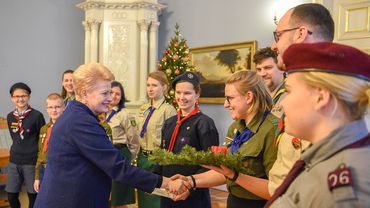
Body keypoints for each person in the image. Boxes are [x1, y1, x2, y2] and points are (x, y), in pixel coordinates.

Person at [33, 63, 189, 208]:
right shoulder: (81, 122)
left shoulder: (78, 114)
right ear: (84, 93)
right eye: (105, 93)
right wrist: (167, 183)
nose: (110, 98)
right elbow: (118, 167)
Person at [266, 42, 370, 207]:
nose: (282, 104)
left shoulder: (343, 189)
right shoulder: (327, 158)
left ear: (320, 98)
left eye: (289, 91)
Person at [174, 70, 278, 208]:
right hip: (234, 201)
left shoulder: (272, 130)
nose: (225, 105)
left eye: (230, 98)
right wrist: (190, 180)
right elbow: (225, 173)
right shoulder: (236, 127)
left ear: (248, 97)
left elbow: (277, 190)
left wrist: (234, 175)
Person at [154, 71, 219, 208]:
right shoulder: (170, 122)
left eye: (187, 93)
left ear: (197, 95)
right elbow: (162, 154)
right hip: (168, 192)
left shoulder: (204, 123)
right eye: (178, 92)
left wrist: (190, 186)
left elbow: (211, 164)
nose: (182, 97)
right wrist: (155, 180)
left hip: (192, 195)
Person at [136, 71, 177, 208]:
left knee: (155, 198)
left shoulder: (168, 110)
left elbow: (171, 139)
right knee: (143, 196)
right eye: (148, 85)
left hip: (157, 159)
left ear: (164, 87)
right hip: (143, 158)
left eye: (154, 85)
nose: (150, 89)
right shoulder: (144, 109)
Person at [6, 82, 46, 208]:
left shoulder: (37, 116)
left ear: (29, 96)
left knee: (33, 195)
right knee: (11, 195)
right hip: (14, 161)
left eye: (23, 95)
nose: (20, 99)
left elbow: (42, 141)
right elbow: (15, 138)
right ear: (12, 98)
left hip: (31, 162)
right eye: (16, 96)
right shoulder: (10, 117)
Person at [107, 81, 140, 208]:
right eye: (111, 92)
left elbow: (134, 139)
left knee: (119, 197)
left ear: (122, 97)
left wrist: (128, 159)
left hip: (119, 154)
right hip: (104, 155)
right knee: (106, 194)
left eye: (118, 94)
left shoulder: (125, 114)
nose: (114, 96)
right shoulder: (100, 112)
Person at [34, 93, 65, 193]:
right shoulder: (44, 129)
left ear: (63, 107)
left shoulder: (67, 128)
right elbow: (40, 153)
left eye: (57, 107)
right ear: (46, 109)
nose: (54, 110)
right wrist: (37, 177)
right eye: (50, 107)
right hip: (44, 170)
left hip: (60, 171)